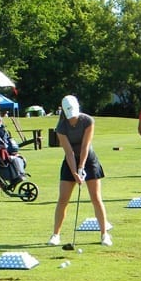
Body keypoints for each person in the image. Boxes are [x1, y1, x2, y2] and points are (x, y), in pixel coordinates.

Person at [47, 95, 112, 247]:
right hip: (70, 162)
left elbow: (85, 147)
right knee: (63, 199)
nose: (73, 118)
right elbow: (69, 152)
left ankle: (104, 234)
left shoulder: (88, 121)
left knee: (96, 198)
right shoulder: (61, 127)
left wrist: (81, 168)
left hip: (89, 160)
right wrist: (75, 172)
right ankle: (55, 235)